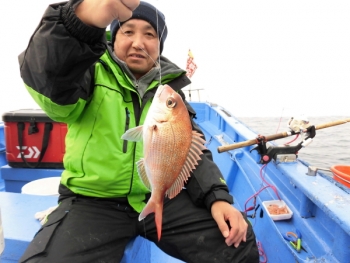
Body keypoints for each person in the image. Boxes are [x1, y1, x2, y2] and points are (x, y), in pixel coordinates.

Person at [18, 0, 259, 262]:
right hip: (93, 202)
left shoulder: (172, 97)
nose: (138, 42)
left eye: (149, 34)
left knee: (238, 242)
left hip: (162, 198)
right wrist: (79, 23)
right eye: (128, 31)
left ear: (159, 45)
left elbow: (192, 151)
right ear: (113, 37)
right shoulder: (87, 75)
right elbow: (50, 77)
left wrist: (218, 198)